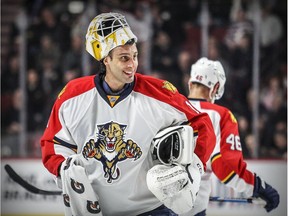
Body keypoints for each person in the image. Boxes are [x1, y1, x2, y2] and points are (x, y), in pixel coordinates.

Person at [40, 12, 216, 216]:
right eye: (124, 58)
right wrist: (64, 168)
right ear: (106, 59)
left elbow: (202, 124)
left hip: (151, 210)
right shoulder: (72, 96)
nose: (132, 64)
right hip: (99, 212)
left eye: (135, 56)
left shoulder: (160, 93)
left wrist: (193, 167)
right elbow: (53, 145)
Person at [182, 57, 280, 216]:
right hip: (191, 208)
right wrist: (258, 187)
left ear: (190, 83)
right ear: (215, 87)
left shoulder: (167, 107)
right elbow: (227, 167)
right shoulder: (220, 115)